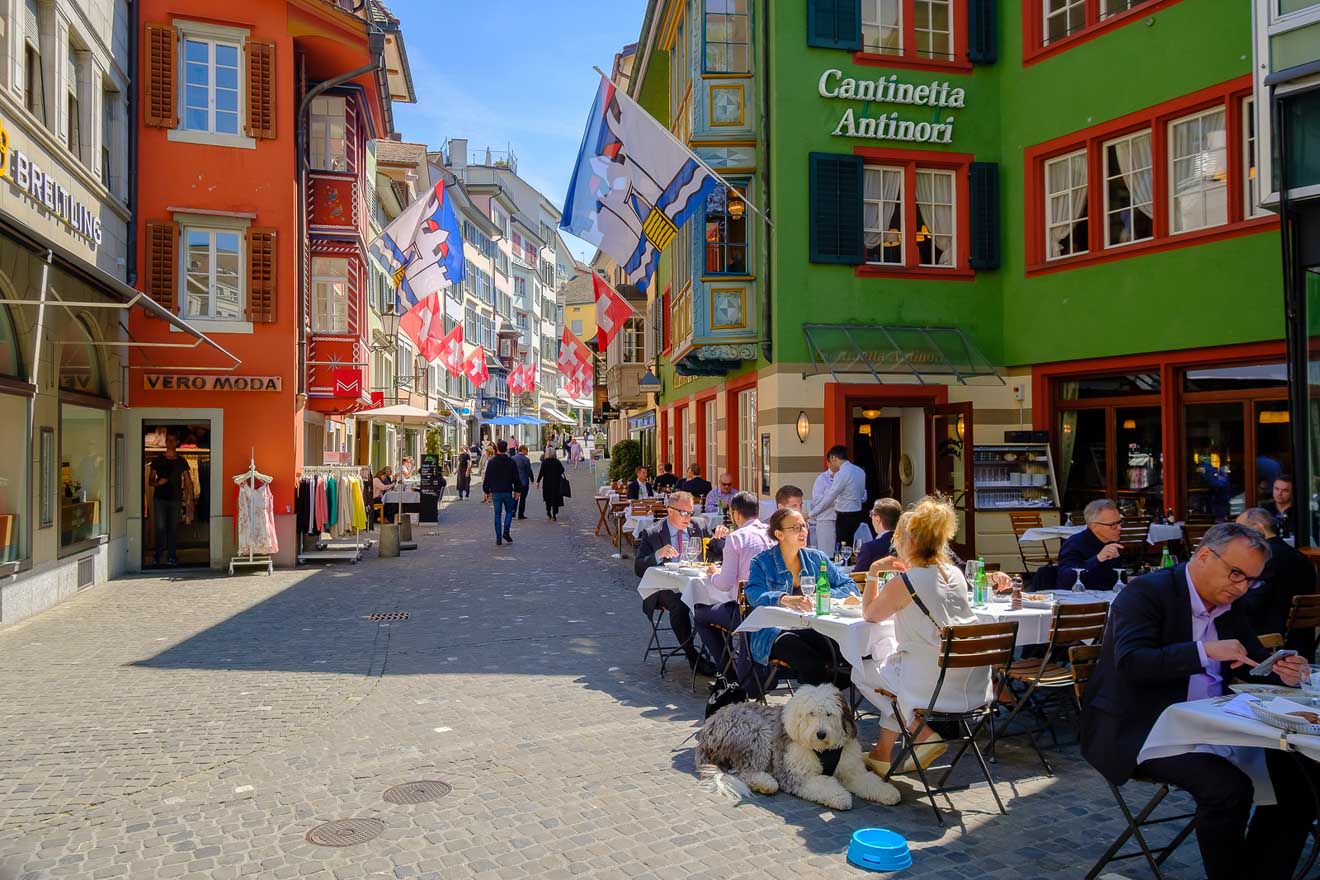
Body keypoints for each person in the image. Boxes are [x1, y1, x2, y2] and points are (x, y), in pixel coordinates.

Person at [1080, 523, 1317, 880]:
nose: (1241, 588)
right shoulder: (1145, 592)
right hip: (1145, 727)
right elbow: (1131, 662)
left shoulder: (1228, 602)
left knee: (1301, 783)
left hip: (1217, 724)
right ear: (1204, 555)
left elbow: (1250, 663)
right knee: (1228, 789)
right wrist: (1203, 651)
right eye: (1236, 574)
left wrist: (1280, 670)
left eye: (1250, 580)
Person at [859, 498, 986, 775]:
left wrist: (873, 573)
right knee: (893, 676)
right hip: (972, 680)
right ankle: (881, 754)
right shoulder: (954, 573)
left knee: (865, 670)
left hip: (933, 683)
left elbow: (869, 614)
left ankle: (922, 733)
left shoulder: (905, 581)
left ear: (910, 542)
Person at [745, 508, 859, 689]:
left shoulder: (817, 558)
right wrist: (783, 598)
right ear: (779, 534)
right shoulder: (761, 562)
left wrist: (822, 596)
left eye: (804, 526)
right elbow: (753, 594)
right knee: (811, 664)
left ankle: (823, 702)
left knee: (851, 655)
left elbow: (850, 587)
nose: (803, 531)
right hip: (775, 632)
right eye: (796, 528)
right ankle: (812, 708)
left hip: (815, 627)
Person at [696, 491, 771, 713]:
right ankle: (735, 667)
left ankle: (728, 673)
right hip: (771, 609)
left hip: (744, 610)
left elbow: (725, 583)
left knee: (700, 614)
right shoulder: (773, 533)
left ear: (736, 514)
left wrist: (712, 573)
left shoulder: (737, 538)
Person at [635, 491, 724, 674]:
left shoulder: (699, 526)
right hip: (665, 587)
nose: (688, 517)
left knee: (719, 602)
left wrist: (719, 541)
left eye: (691, 512)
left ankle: (723, 657)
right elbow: (638, 567)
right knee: (680, 602)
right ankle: (692, 655)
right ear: (670, 511)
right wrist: (658, 555)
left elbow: (715, 555)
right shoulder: (653, 533)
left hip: (697, 584)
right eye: (683, 513)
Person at [1237, 507, 1317, 658]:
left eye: (1241, 529)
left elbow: (1252, 603)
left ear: (1258, 527)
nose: (1239, 536)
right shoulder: (1303, 559)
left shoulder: (1265, 559)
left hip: (1272, 639)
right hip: (1303, 639)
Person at [1057, 498, 1124, 589]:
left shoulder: (1112, 542)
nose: (1119, 528)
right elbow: (1066, 579)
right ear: (1094, 526)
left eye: (1120, 522)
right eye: (1113, 525)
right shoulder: (1074, 544)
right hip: (1080, 599)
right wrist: (1098, 559)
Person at [814, 445, 868, 551]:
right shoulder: (860, 471)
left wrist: (812, 513)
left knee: (842, 546)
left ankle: (843, 565)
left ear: (834, 458)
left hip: (844, 515)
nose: (829, 465)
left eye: (830, 461)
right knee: (849, 544)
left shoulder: (842, 473)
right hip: (856, 514)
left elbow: (830, 496)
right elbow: (862, 495)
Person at [148, 433, 190, 567]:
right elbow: (150, 480)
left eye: (173, 440)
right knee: (160, 528)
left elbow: (188, 481)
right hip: (160, 498)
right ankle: (158, 555)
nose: (170, 442)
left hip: (175, 499)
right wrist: (158, 483)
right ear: (166, 442)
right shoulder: (158, 460)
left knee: (173, 528)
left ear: (177, 442)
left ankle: (171, 556)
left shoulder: (181, 461)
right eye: (168, 440)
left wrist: (191, 500)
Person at [482, 440, 520, 546]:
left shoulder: (492, 461)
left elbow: (487, 477)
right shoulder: (511, 461)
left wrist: (486, 490)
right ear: (506, 448)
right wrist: (517, 490)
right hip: (507, 490)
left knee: (497, 514)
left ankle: (498, 538)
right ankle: (506, 532)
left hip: (496, 492)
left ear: (497, 449)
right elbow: (516, 477)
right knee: (509, 512)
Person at [854, 498, 903, 573]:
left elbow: (855, 578)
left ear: (877, 519)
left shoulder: (868, 548)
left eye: (871, 514)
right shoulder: (906, 545)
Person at [810, 464, 836, 554]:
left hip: (844, 519)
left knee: (842, 552)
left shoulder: (847, 477)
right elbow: (817, 499)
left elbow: (862, 496)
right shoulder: (822, 478)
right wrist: (835, 500)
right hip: (826, 519)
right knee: (826, 553)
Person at [537, 447, 568, 520]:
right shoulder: (557, 461)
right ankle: (555, 513)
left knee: (548, 498)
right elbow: (562, 470)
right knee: (555, 497)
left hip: (547, 483)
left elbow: (541, 473)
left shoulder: (544, 462)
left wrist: (538, 481)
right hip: (556, 482)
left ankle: (548, 510)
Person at [511, 446, 534, 520]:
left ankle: (513, 512)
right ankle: (520, 514)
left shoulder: (512, 458)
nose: (527, 452)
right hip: (524, 481)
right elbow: (529, 470)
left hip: (515, 481)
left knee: (515, 497)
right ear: (523, 450)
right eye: (526, 451)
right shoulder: (526, 459)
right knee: (523, 498)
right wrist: (532, 479)